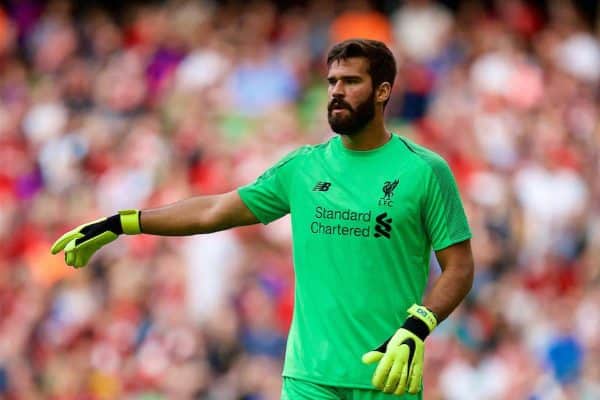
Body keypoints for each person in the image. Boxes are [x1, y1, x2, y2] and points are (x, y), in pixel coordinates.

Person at [51, 39, 474, 399]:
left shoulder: (424, 171)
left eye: (351, 82)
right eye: (331, 82)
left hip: (387, 374)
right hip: (309, 376)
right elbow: (215, 210)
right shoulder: (304, 168)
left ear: (383, 91)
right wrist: (120, 222)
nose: (336, 92)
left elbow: (459, 267)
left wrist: (419, 325)